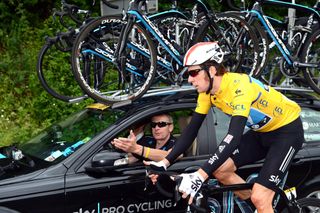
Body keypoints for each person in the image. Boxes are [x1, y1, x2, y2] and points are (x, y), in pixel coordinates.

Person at [145, 42, 304, 213]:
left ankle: (262, 203)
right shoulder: (207, 93)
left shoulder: (239, 88)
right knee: (221, 171)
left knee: (260, 197)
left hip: (286, 133)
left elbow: (233, 137)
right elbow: (191, 131)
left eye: (193, 72)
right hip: (262, 133)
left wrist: (200, 175)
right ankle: (260, 207)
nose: (190, 79)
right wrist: (165, 162)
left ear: (212, 70)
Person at [112, 113, 176, 164]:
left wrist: (137, 149)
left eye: (161, 124)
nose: (156, 128)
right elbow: (133, 157)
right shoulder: (147, 140)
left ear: (170, 127)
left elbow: (171, 156)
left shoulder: (178, 143)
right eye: (153, 125)